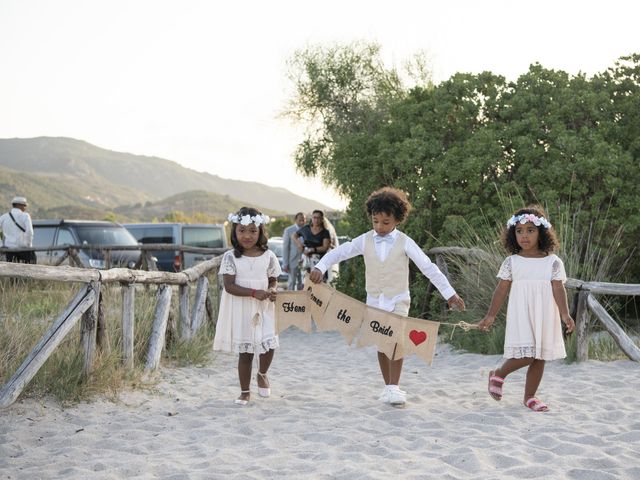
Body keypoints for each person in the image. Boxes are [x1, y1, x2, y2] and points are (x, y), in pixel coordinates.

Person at [309, 187, 465, 407]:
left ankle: (395, 386)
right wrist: (320, 266)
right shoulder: (364, 240)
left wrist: (449, 294)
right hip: (374, 300)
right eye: (375, 221)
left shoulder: (405, 242)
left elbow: (428, 268)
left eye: (385, 222)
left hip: (398, 299)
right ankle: (388, 386)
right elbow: (339, 253)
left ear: (397, 220)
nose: (380, 227)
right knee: (382, 343)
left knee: (395, 341)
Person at [477, 206, 575, 412]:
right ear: (513, 235)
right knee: (528, 354)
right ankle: (499, 374)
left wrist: (565, 314)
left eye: (530, 230)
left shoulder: (553, 262)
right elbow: (501, 290)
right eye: (519, 231)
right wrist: (490, 315)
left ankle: (530, 397)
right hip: (522, 312)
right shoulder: (512, 262)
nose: (524, 235)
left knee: (540, 356)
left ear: (542, 232)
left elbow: (558, 289)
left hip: (545, 313)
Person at [213, 207, 282, 405]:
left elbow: (273, 279)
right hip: (243, 307)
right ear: (234, 231)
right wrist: (253, 293)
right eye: (241, 230)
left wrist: (272, 289)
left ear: (260, 231)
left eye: (253, 230)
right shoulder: (230, 257)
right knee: (246, 352)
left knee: (269, 344)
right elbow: (229, 286)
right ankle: (244, 391)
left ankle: (262, 373)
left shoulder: (268, 255)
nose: (247, 235)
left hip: (265, 306)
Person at [293, 209, 331, 278]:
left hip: (320, 260)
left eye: (318, 218)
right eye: (314, 217)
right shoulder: (306, 228)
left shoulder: (325, 232)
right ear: (312, 218)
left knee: (318, 282)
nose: (316, 220)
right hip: (306, 259)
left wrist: (312, 249)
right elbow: (294, 236)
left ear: (322, 219)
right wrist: (299, 244)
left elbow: (325, 247)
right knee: (305, 281)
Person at [0, 196, 35, 264]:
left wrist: (1, 244)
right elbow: (30, 232)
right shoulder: (25, 216)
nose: (25, 207)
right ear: (19, 205)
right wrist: (29, 246)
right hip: (23, 250)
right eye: (24, 205)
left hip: (8, 251)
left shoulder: (4, 217)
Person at [282, 212, 306, 290]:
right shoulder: (288, 230)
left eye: (304, 220)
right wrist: (285, 263)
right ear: (295, 220)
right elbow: (285, 247)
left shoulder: (307, 230)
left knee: (302, 282)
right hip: (292, 260)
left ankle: (300, 300)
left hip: (304, 261)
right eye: (300, 220)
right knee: (292, 282)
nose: (302, 222)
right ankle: (290, 299)